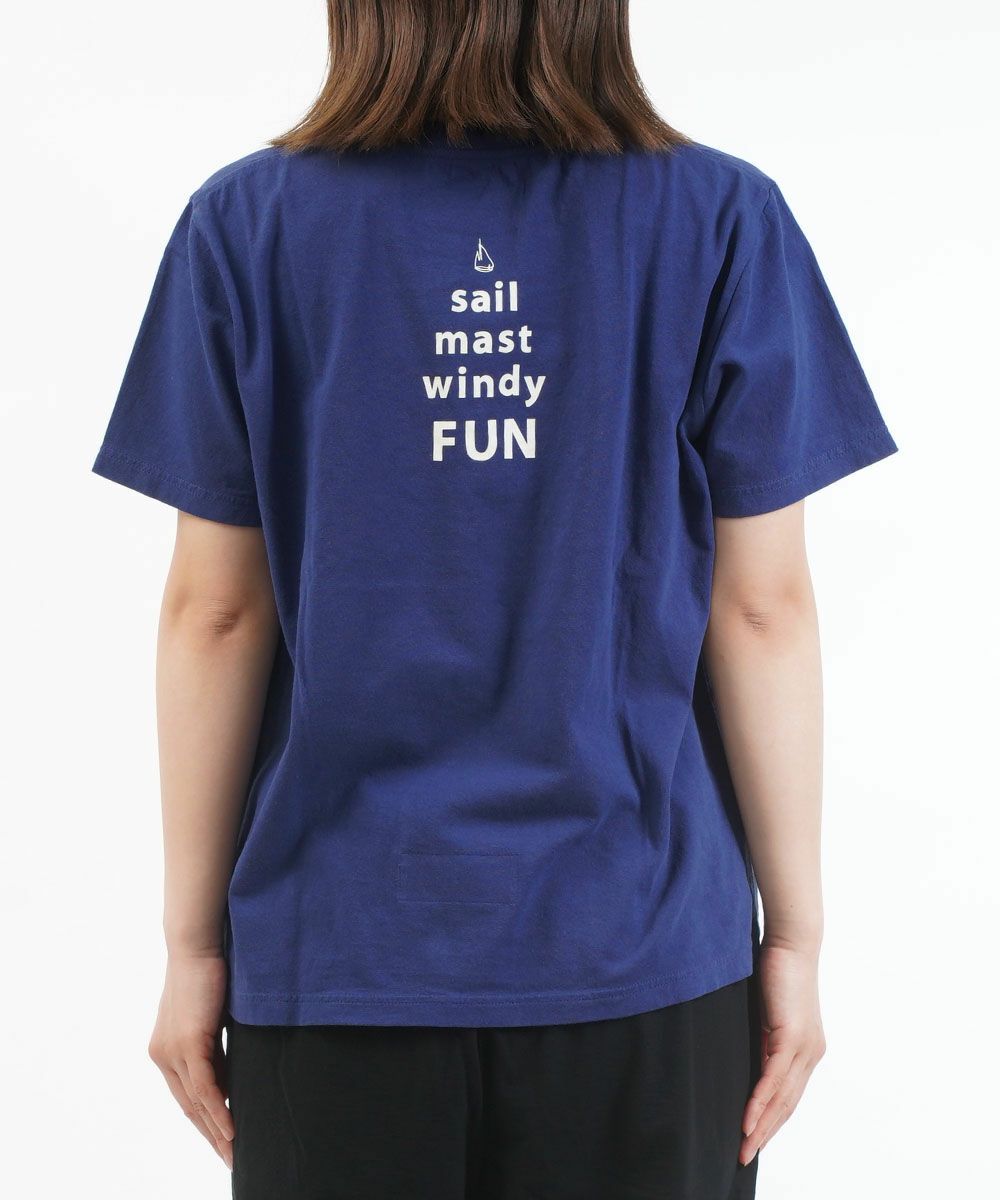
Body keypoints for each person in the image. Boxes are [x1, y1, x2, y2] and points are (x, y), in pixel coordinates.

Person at [92, 2, 897, 1196]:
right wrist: (795, 935)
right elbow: (761, 608)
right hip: (640, 947)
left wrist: (192, 946)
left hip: (340, 951)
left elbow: (215, 614)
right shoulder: (719, 218)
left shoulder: (245, 226)